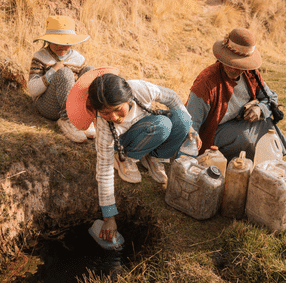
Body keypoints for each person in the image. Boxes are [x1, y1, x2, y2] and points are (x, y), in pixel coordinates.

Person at [66, 67, 194, 242]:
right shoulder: (104, 126)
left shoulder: (140, 89)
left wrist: (191, 126)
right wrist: (109, 218)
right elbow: (104, 170)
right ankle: (125, 158)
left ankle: (155, 157)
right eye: (105, 113)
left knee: (182, 120)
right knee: (161, 124)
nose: (114, 117)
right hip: (127, 141)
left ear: (128, 98)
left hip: (149, 128)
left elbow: (171, 97)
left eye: (118, 109)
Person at [186, 27, 286, 161]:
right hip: (212, 132)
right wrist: (188, 157)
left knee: (267, 126)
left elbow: (270, 98)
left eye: (240, 65)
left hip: (237, 123)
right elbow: (191, 123)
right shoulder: (206, 82)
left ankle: (270, 165)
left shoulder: (250, 73)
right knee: (245, 138)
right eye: (231, 62)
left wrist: (260, 109)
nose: (235, 68)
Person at [28, 15, 94, 143]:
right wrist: (53, 72)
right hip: (49, 105)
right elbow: (33, 90)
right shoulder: (40, 57)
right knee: (64, 72)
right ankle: (68, 120)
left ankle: (85, 117)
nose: (62, 47)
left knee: (90, 71)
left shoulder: (78, 59)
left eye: (66, 43)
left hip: (73, 103)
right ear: (49, 41)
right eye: (57, 42)